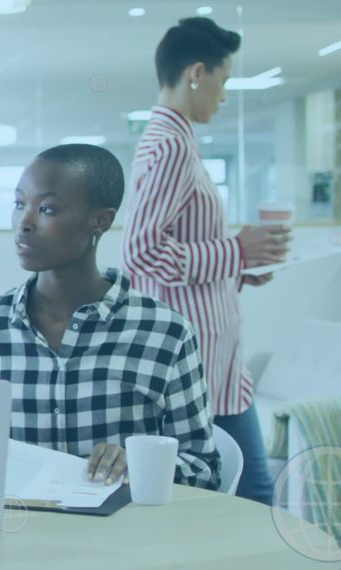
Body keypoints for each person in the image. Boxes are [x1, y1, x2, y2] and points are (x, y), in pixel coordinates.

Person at [0, 144, 220, 490]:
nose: (24, 223)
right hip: (19, 532)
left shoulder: (164, 332)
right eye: (20, 204)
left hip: (124, 536)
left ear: (101, 221)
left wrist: (139, 465)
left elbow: (204, 468)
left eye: (47, 209)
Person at [122, 17, 288, 504]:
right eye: (224, 80)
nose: (224, 94)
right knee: (250, 491)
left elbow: (168, 249)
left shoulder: (171, 140)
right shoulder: (172, 145)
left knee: (240, 490)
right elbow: (142, 249)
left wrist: (236, 268)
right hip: (200, 362)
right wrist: (235, 251)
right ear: (198, 72)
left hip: (214, 358)